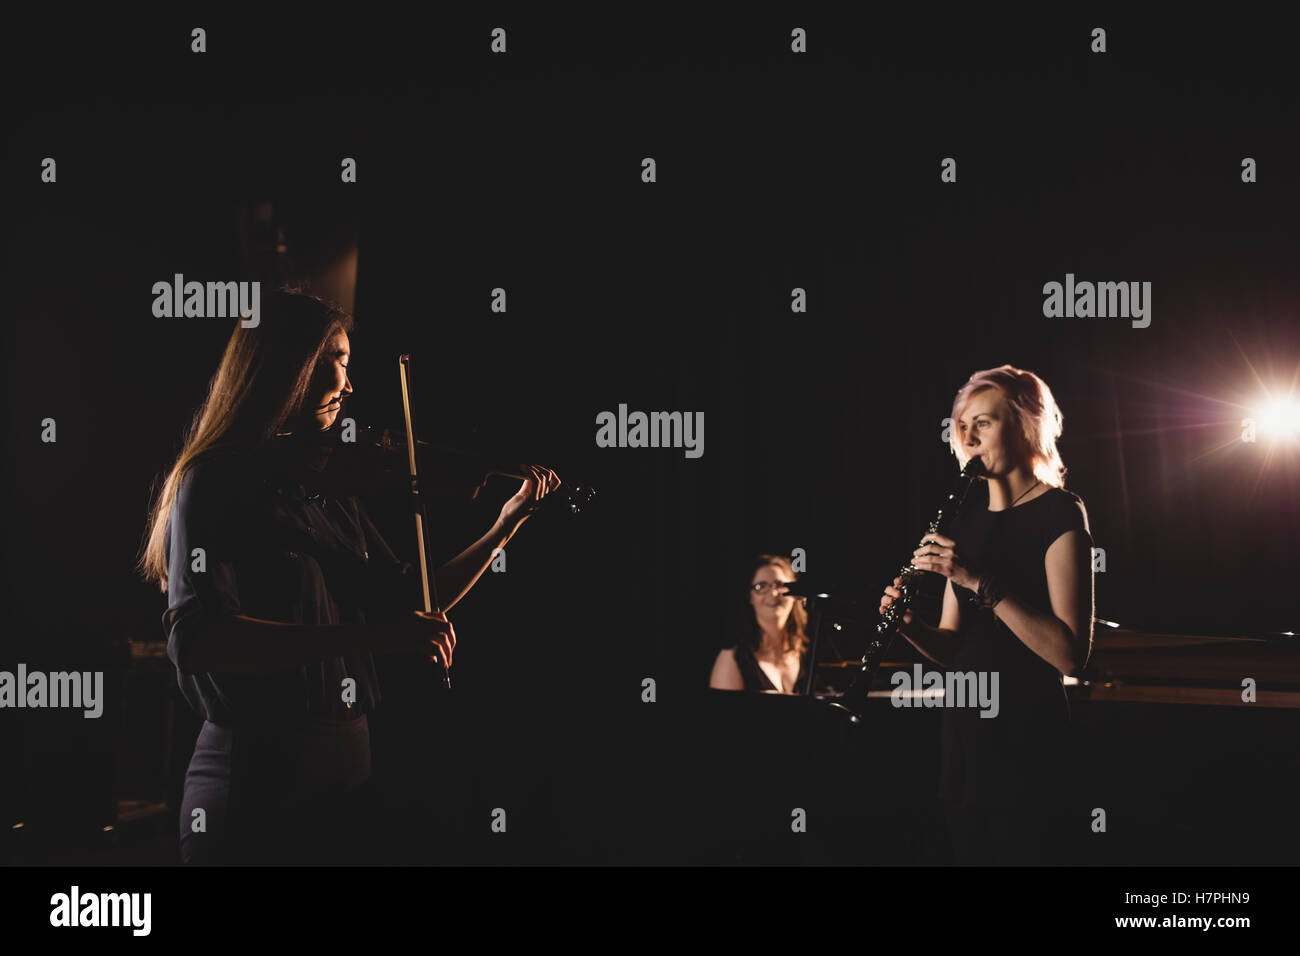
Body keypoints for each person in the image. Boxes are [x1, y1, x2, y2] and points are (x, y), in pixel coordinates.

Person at [138, 288, 560, 864]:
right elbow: (197, 640)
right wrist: (372, 638)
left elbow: (412, 597)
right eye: (337, 361)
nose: (350, 385)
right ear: (290, 365)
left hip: (345, 794)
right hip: (255, 795)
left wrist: (503, 528)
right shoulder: (213, 484)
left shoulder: (321, 485)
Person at [878, 365, 1093, 865]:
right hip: (965, 744)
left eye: (985, 423)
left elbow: (1069, 656)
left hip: (1026, 743)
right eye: (963, 425)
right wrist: (908, 625)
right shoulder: (965, 521)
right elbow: (954, 649)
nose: (969, 437)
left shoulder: (1061, 511)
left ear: (1023, 427)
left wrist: (978, 581)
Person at [710, 554, 810, 694]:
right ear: (750, 597)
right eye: (761, 586)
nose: (773, 593)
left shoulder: (811, 652)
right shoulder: (733, 658)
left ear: (794, 594)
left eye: (780, 585)